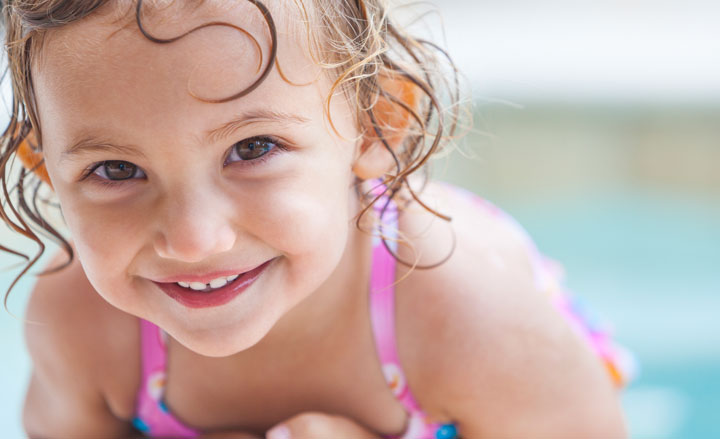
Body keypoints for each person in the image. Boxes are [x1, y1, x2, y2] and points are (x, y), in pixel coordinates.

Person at [0, 0, 634, 437]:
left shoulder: (468, 321)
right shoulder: (79, 323)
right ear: (47, 167)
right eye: (115, 170)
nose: (194, 241)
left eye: (252, 150)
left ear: (374, 123)